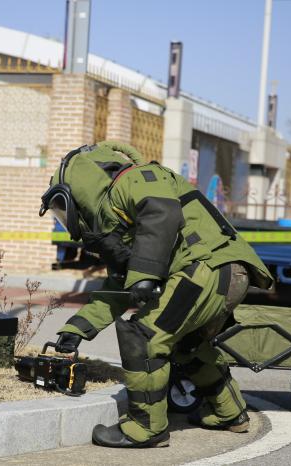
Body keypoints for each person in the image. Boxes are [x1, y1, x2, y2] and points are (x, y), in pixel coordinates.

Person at [38, 141, 273, 448]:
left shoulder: (136, 179)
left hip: (208, 269)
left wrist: (145, 274)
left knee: (144, 337)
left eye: (62, 207)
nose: (66, 219)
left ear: (81, 188)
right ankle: (230, 413)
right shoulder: (120, 221)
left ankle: (144, 429)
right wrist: (76, 330)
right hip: (219, 274)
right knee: (185, 346)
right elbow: (118, 287)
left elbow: (160, 212)